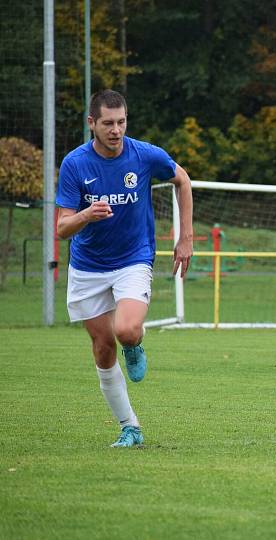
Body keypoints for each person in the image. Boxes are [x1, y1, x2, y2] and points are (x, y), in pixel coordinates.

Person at [55, 89, 193, 448]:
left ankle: (135, 345)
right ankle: (129, 426)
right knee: (103, 347)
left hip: (134, 257)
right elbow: (62, 227)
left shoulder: (144, 155)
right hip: (87, 266)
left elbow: (183, 180)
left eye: (121, 122)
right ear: (92, 124)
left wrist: (185, 237)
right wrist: (87, 213)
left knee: (127, 330)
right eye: (108, 123)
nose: (116, 130)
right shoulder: (75, 163)